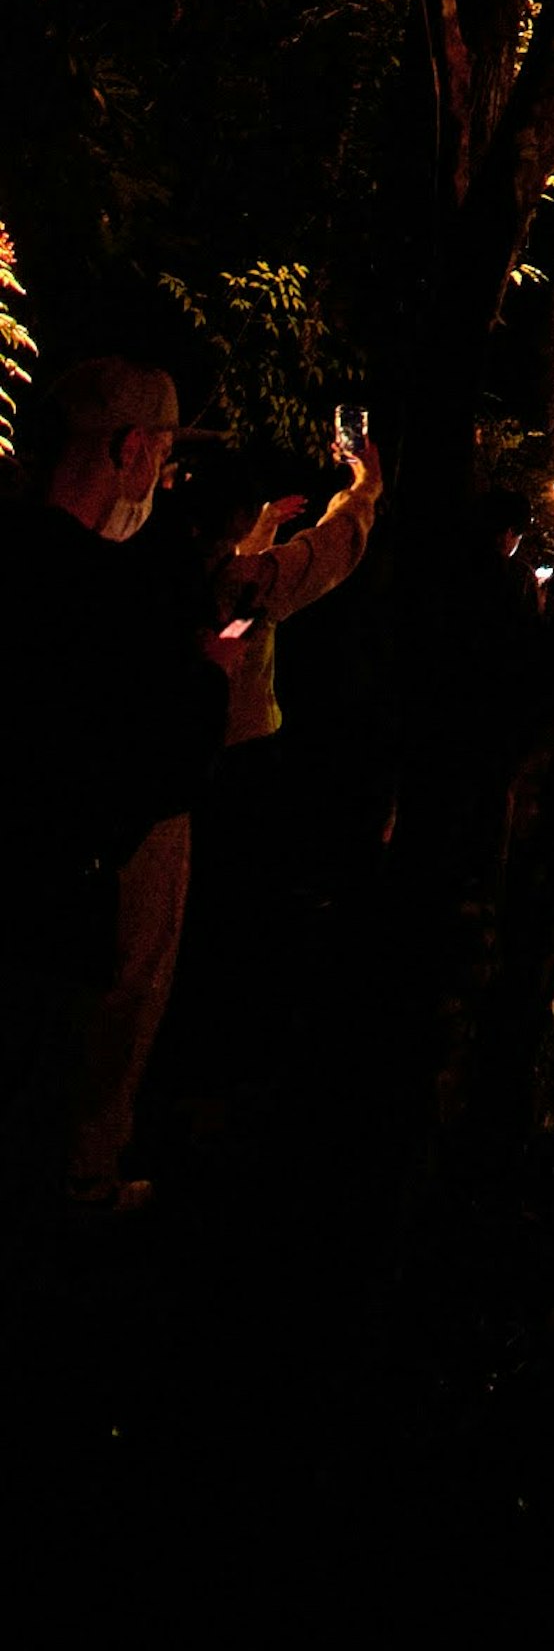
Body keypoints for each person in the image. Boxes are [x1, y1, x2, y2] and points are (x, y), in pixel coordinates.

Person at [0, 346, 230, 1212]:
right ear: (129, 447)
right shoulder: (98, 591)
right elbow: (151, 762)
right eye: (163, 453)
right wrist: (209, 675)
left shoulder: (16, 546)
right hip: (56, 896)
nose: (163, 473)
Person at [172, 411, 384, 1092]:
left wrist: (266, 527)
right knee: (230, 905)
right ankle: (219, 1056)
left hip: (177, 765)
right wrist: (363, 490)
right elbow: (327, 554)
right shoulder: (245, 588)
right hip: (237, 756)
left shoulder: (162, 565)